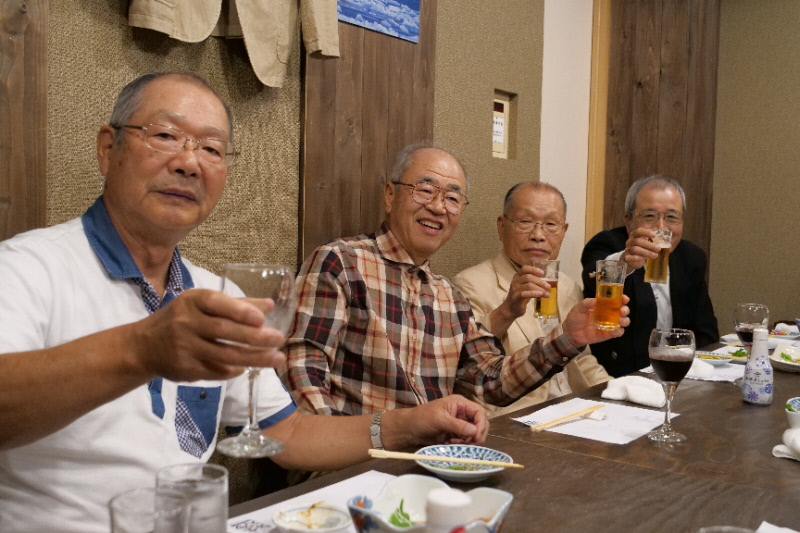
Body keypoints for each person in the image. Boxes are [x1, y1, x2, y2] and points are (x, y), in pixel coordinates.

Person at [0, 72, 489, 533]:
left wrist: (411, 424)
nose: (189, 162)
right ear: (109, 149)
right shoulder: (28, 267)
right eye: (166, 136)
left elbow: (289, 436)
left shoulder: (215, 295)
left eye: (211, 148)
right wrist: (141, 349)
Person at [281, 143, 629, 417]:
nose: (438, 207)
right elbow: (303, 375)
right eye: (424, 190)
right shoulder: (342, 263)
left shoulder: (446, 295)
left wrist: (568, 338)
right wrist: (357, 447)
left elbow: (490, 382)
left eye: (452, 198)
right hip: (358, 464)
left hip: (434, 458)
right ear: (390, 195)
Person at [453, 182, 610, 417]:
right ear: (501, 226)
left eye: (550, 224)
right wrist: (507, 310)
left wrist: (615, 394)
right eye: (525, 222)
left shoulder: (567, 286)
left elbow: (583, 361)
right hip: (520, 417)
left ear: (564, 230)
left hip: (576, 409)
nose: (538, 235)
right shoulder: (470, 284)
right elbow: (466, 363)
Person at [580, 174, 719, 377]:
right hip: (620, 376)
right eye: (649, 216)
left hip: (675, 371)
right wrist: (624, 262)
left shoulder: (691, 257)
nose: (661, 228)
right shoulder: (607, 243)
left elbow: (706, 332)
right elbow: (592, 276)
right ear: (628, 221)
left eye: (671, 217)